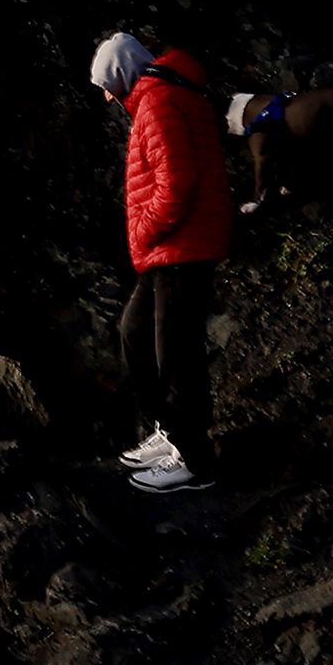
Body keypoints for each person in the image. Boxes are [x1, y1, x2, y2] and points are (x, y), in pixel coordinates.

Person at [91, 32, 231, 493]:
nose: (108, 97)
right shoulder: (163, 96)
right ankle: (170, 432)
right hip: (172, 248)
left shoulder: (158, 102)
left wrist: (143, 231)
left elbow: (178, 182)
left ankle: (194, 461)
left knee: (176, 354)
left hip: (180, 246)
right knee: (135, 332)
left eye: (108, 86)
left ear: (123, 74)